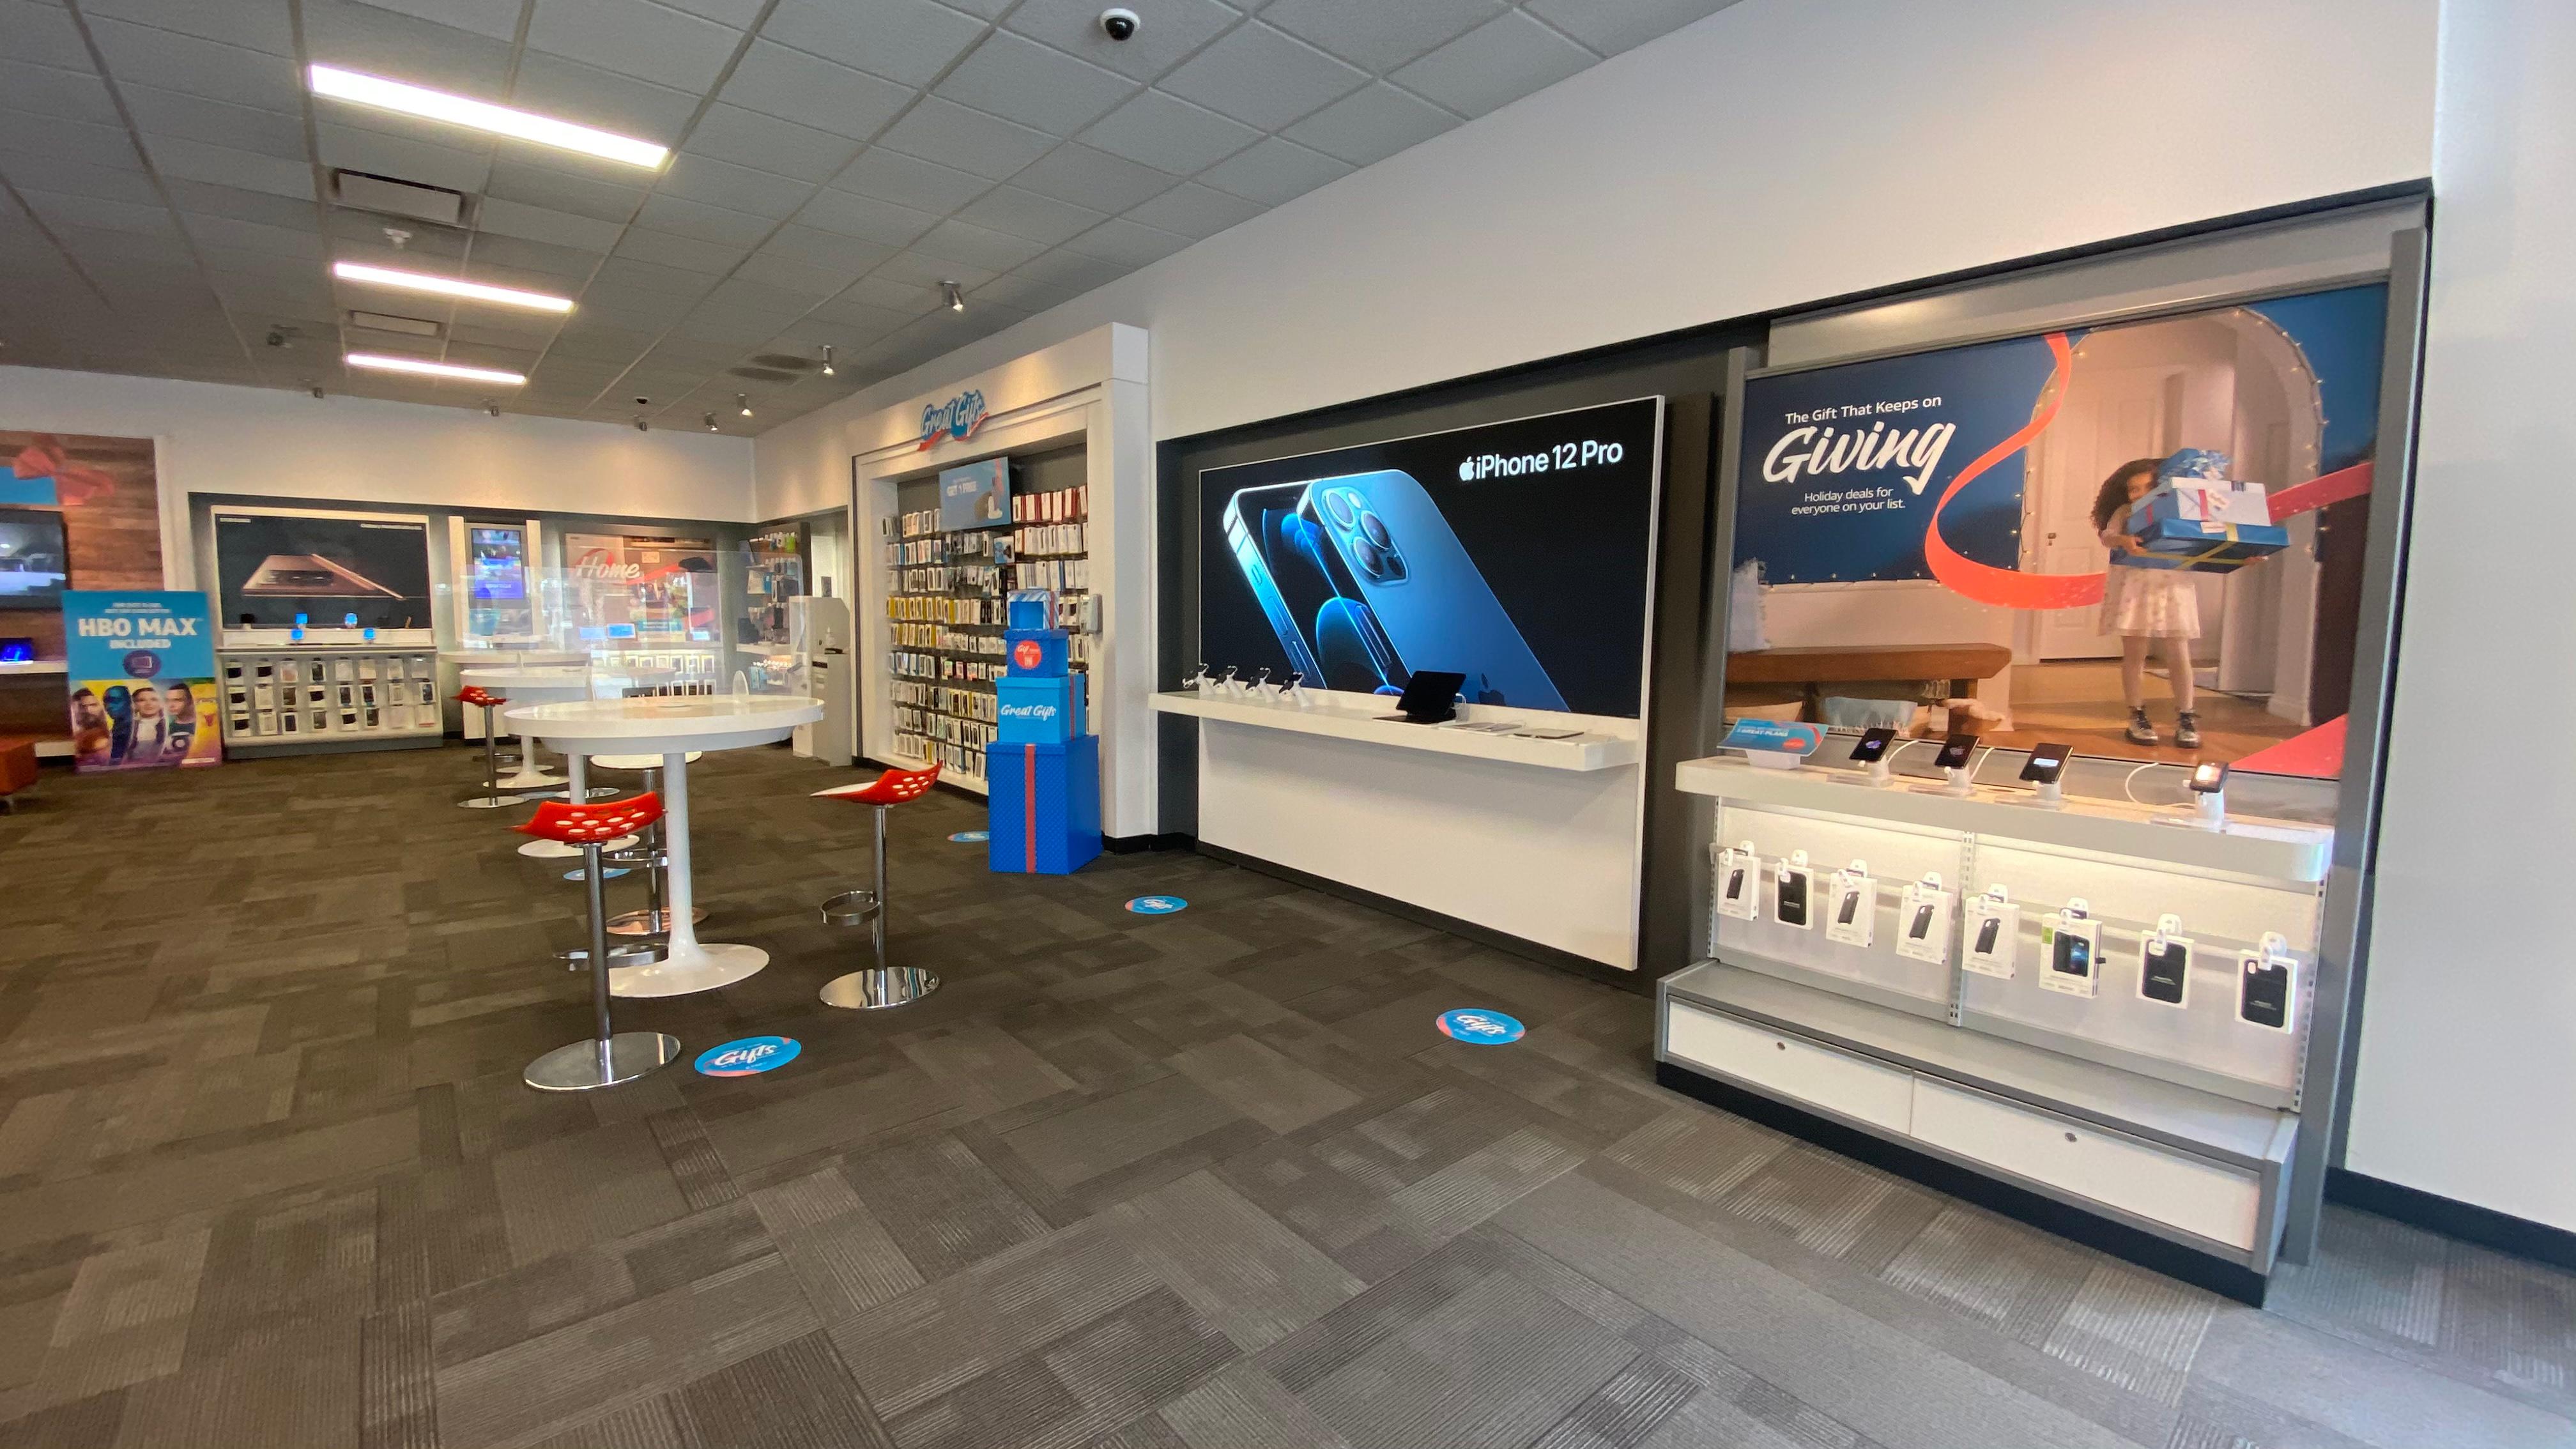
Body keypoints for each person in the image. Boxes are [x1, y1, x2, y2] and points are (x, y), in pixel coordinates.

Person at [2093, 458, 2202, 749]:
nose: (2139, 494)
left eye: (2146, 487)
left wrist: (2240, 554)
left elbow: (2205, 540)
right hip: (2135, 585)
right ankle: (2137, 714)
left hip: (2172, 585)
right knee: (2135, 653)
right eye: (2133, 489)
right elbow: (2107, 536)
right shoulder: (2125, 512)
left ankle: (2186, 716)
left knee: (2179, 652)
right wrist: (2123, 540)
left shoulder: (2179, 510)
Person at [124, 680, 169, 765]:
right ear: (134, 705)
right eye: (142, 700)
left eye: (154, 700)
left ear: (162, 703)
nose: (149, 704)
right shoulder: (127, 727)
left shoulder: (170, 725)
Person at [68, 687, 111, 766]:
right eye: (82, 706)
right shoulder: (75, 737)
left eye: (93, 705)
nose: (88, 710)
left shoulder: (114, 734)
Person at [161, 680, 198, 762]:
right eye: (168, 701)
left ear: (190, 701)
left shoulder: (202, 726)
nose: (171, 705)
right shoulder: (165, 729)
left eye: (178, 700)